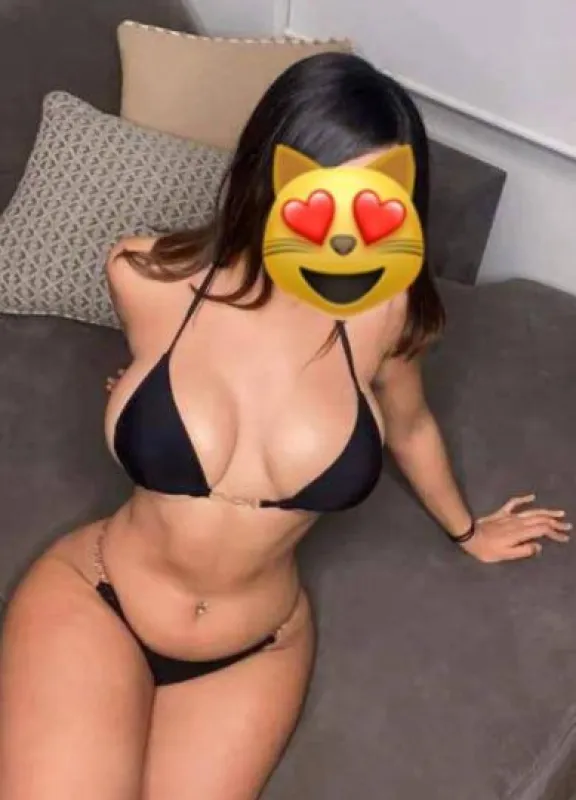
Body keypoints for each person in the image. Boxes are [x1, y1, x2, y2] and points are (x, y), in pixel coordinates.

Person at [0, 52, 570, 800]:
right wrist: (148, 402)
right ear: (272, 176)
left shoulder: (387, 317)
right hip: (101, 597)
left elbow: (410, 428)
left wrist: (469, 531)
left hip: (253, 650)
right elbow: (156, 369)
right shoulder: (145, 275)